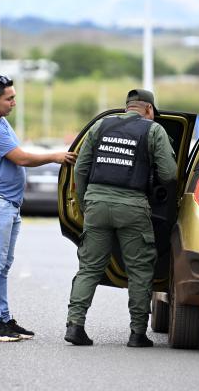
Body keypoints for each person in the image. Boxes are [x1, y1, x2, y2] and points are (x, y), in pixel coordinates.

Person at [65, 89, 177, 348]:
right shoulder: (153, 130)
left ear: (127, 107)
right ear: (148, 109)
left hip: (96, 204)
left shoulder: (100, 125)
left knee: (90, 267)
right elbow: (170, 174)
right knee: (139, 269)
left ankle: (74, 325)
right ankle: (137, 333)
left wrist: (85, 203)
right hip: (133, 206)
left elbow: (81, 167)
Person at [0, 74, 76, 342]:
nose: (14, 103)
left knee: (3, 265)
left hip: (8, 203)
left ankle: (4, 319)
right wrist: (54, 156)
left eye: (14, 97)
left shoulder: (1, 121)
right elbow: (19, 157)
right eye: (9, 98)